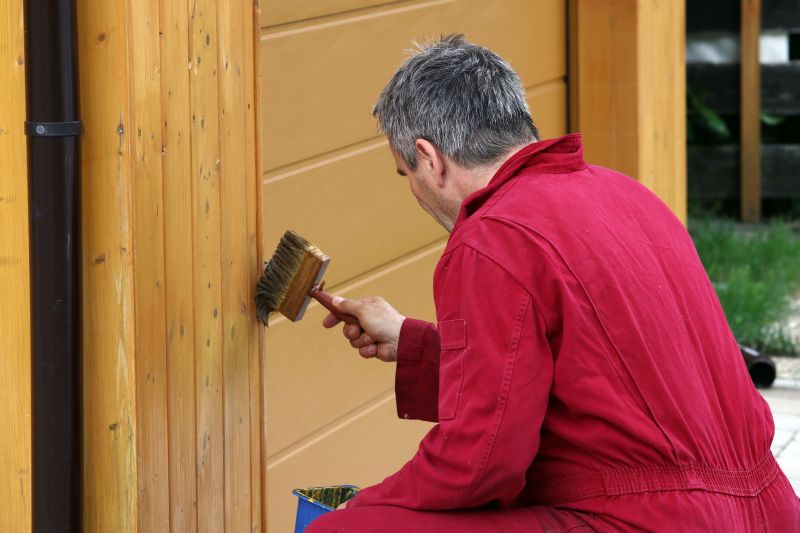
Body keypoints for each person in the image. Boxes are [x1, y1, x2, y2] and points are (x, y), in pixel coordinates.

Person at [307, 35, 800, 532]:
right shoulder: (626, 195)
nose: (412, 189)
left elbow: (479, 463)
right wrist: (413, 344)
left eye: (404, 173)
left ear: (429, 158)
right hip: (769, 511)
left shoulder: (492, 236)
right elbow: (588, 377)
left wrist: (365, 507)